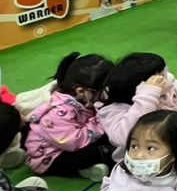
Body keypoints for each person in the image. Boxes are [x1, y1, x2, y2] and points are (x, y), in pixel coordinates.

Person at [25, 52, 115, 181]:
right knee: (99, 151)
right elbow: (75, 142)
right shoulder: (59, 112)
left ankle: (90, 166)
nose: (104, 96)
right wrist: (100, 119)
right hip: (51, 157)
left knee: (107, 137)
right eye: (100, 92)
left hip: (74, 139)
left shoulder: (82, 99)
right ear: (81, 91)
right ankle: (84, 169)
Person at [98, 53, 177, 153]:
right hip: (143, 160)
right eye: (160, 77)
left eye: (165, 71)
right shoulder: (114, 107)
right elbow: (123, 138)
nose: (170, 77)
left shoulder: (175, 87)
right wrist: (147, 96)